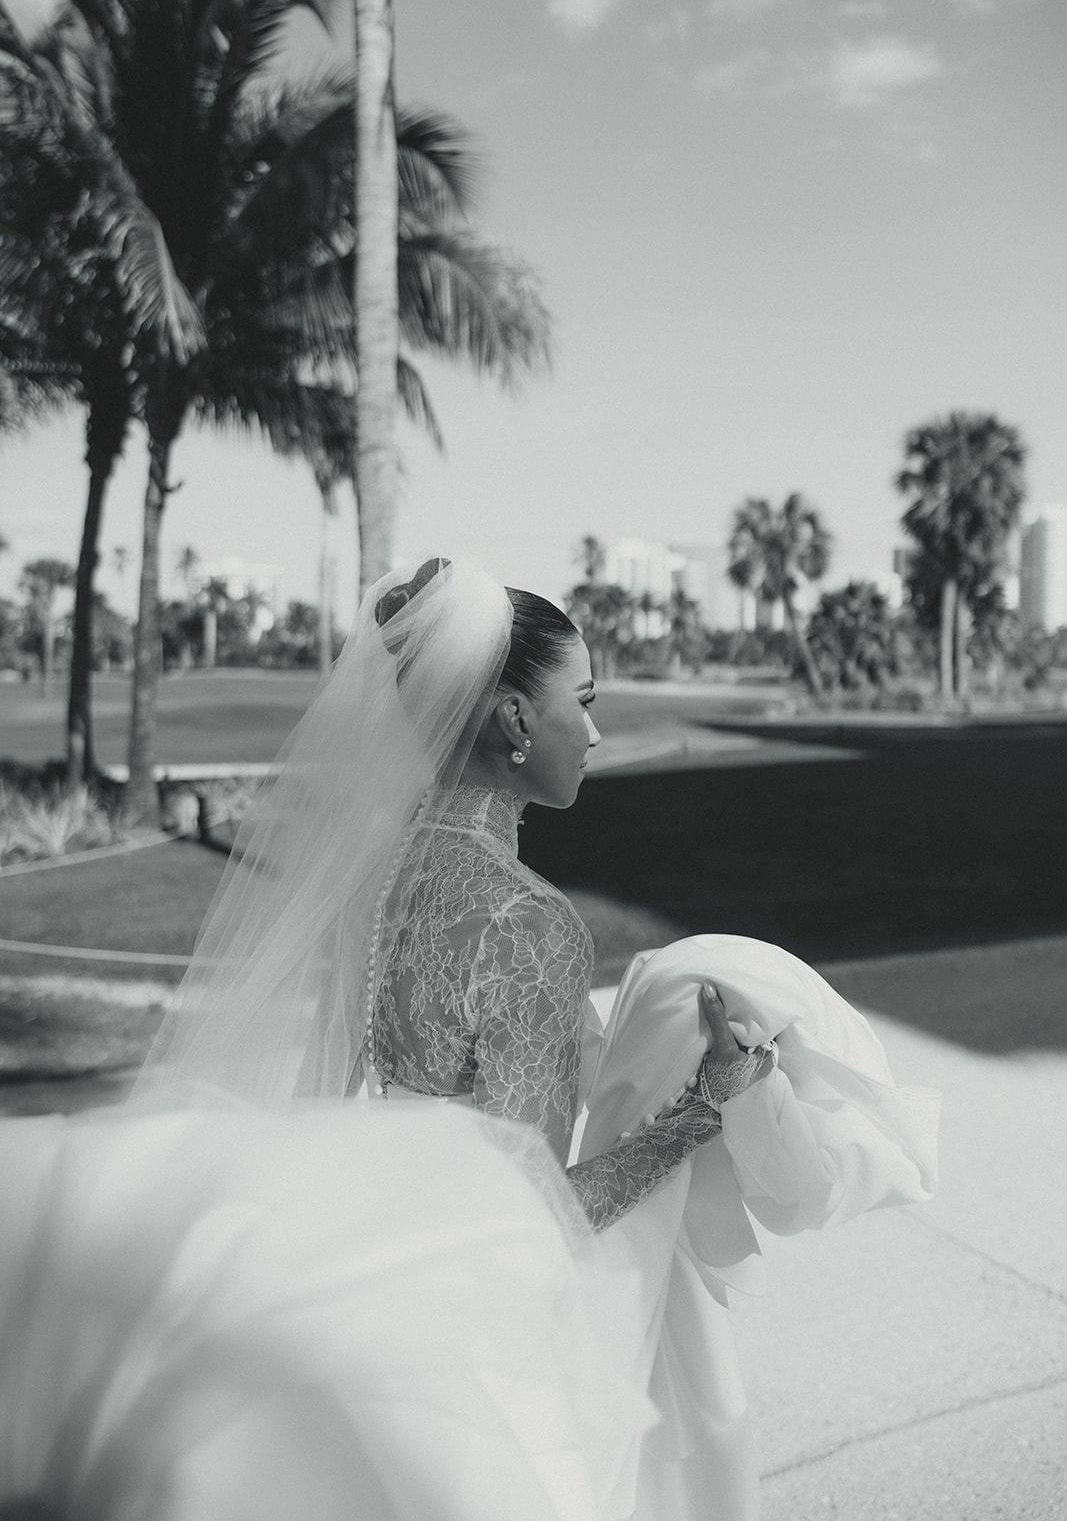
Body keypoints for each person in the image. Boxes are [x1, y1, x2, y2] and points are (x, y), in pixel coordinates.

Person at [0, 557, 938, 1521]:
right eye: (582, 699)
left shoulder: (370, 872)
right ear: (515, 721)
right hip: (462, 1339)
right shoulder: (525, 922)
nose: (597, 729)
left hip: (359, 1256)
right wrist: (704, 1104)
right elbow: (535, 1217)